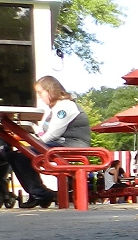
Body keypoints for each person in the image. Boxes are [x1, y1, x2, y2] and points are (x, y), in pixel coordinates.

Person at [9, 76, 92, 208]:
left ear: (49, 90)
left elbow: (52, 135)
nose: (40, 97)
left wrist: (33, 142)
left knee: (21, 155)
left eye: (40, 92)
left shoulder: (65, 107)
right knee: (17, 155)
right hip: (62, 143)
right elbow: (45, 133)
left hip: (71, 144)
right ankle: (38, 193)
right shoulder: (58, 108)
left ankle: (40, 194)